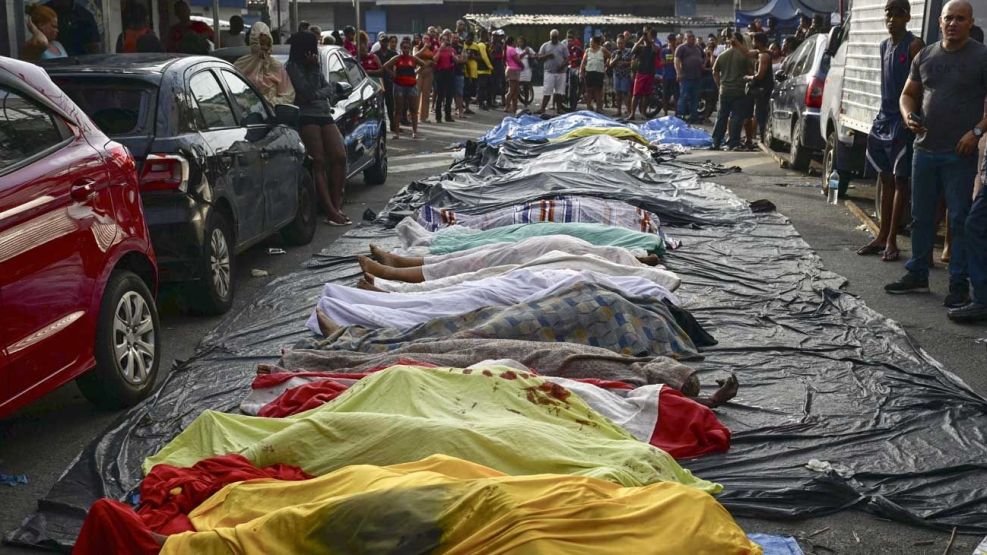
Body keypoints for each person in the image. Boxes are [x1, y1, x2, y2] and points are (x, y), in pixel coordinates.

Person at [886, 0, 987, 312]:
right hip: (925, 150)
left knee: (958, 218)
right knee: (921, 216)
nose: (953, 23)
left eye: (960, 19)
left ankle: (958, 282)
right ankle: (917, 271)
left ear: (970, 23)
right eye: (948, 19)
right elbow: (908, 93)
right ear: (939, 23)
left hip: (960, 152)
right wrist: (907, 115)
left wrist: (977, 132)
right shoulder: (925, 55)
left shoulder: (982, 57)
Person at [857, 0, 925, 262]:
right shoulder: (884, 45)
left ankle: (893, 240)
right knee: (884, 178)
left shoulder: (914, 45)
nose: (892, 18)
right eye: (889, 13)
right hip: (883, 117)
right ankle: (881, 234)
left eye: (898, 14)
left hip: (901, 120)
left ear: (907, 17)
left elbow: (918, 87)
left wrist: (913, 118)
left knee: (900, 181)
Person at [284, 31, 350, 227]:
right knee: (318, 161)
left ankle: (336, 205)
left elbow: (327, 89)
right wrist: (315, 80)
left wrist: (317, 92)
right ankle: (330, 210)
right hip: (306, 116)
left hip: (324, 114)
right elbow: (306, 91)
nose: (314, 51)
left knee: (339, 156)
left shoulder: (316, 65)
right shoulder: (292, 67)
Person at [710, 32, 754, 150]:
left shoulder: (722, 55)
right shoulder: (744, 56)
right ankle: (733, 143)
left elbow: (714, 71)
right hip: (739, 90)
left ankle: (716, 142)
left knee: (721, 116)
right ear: (741, 42)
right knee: (737, 117)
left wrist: (719, 85)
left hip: (724, 90)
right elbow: (751, 72)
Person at [234, 22, 294, 106]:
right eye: (261, 43)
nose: (265, 47)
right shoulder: (240, 65)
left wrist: (270, 103)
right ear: (254, 42)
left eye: (268, 44)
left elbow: (288, 95)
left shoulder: (276, 67)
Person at [383, 37, 430, 139]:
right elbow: (385, 66)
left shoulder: (413, 59)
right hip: (399, 85)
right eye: (404, 48)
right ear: (401, 48)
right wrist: (393, 74)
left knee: (413, 109)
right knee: (398, 109)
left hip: (411, 86)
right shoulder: (397, 58)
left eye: (408, 48)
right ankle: (396, 133)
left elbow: (424, 65)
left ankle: (415, 132)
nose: (406, 50)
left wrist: (416, 72)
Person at [744, 32, 775, 142]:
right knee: (760, 114)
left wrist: (749, 77)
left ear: (758, 42)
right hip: (764, 90)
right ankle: (762, 138)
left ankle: (763, 139)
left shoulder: (763, 56)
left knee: (761, 115)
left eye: (753, 40)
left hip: (763, 90)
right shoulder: (762, 52)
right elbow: (746, 53)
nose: (752, 43)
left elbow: (760, 75)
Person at [675, 30, 705, 123]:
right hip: (686, 77)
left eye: (693, 36)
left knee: (695, 98)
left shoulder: (698, 48)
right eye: (689, 37)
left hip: (697, 77)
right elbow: (676, 61)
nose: (692, 38)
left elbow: (703, 57)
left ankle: (693, 117)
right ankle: (680, 116)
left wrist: (702, 64)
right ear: (685, 38)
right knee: (684, 97)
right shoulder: (681, 48)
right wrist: (679, 73)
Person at [629, 27, 658, 121]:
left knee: (646, 95)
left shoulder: (655, 45)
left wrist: (651, 41)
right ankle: (632, 113)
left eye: (648, 35)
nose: (646, 36)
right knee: (636, 94)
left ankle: (643, 113)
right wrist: (641, 40)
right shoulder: (640, 47)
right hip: (640, 73)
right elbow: (632, 51)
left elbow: (656, 51)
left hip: (650, 73)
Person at [536, 29, 569, 114]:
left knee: (559, 92)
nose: (554, 39)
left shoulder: (562, 46)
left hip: (561, 72)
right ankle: (542, 108)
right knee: (547, 91)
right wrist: (547, 55)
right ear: (550, 37)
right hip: (549, 72)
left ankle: (559, 109)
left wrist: (562, 66)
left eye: (555, 37)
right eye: (552, 37)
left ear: (558, 37)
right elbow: (539, 57)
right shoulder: (545, 45)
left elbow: (567, 59)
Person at [580, 35, 610, 114]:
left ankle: (599, 108)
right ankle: (589, 107)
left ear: (596, 43)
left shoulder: (602, 49)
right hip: (589, 73)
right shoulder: (587, 51)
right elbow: (583, 62)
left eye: (591, 42)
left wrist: (607, 63)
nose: (590, 44)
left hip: (599, 73)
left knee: (598, 91)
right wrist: (581, 72)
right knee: (589, 91)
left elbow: (610, 56)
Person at [433, 32, 458, 122]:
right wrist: (440, 50)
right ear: (440, 41)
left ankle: (448, 116)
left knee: (449, 95)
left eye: (447, 40)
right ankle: (438, 116)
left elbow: (456, 60)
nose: (445, 42)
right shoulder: (437, 50)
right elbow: (434, 60)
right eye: (443, 40)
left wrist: (453, 54)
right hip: (440, 73)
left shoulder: (451, 49)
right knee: (440, 95)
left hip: (450, 72)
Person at [377, 35, 398, 129]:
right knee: (379, 105)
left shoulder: (393, 54)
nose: (384, 43)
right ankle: (381, 126)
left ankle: (393, 124)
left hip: (390, 81)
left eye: (385, 41)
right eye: (382, 41)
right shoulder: (375, 54)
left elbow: (396, 67)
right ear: (379, 42)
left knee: (391, 104)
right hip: (379, 81)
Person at [611, 35, 634, 117]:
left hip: (626, 75)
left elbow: (633, 62)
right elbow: (610, 64)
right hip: (617, 75)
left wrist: (625, 63)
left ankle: (629, 111)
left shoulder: (629, 51)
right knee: (618, 94)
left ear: (624, 43)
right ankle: (618, 111)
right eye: (618, 43)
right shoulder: (614, 52)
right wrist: (616, 58)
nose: (620, 45)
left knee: (626, 94)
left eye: (621, 43)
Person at [503, 36, 524, 113]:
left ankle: (514, 107)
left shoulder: (506, 49)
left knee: (515, 90)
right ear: (512, 42)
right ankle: (507, 106)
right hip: (514, 70)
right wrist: (522, 65)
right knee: (512, 90)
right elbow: (517, 59)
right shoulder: (511, 49)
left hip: (510, 69)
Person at [473, 31, 493, 110]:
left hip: (484, 70)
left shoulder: (484, 44)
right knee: (482, 87)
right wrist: (490, 66)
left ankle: (484, 102)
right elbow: (484, 57)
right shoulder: (481, 45)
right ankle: (481, 103)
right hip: (482, 70)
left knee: (484, 87)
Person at [565, 29, 585, 110]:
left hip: (576, 68)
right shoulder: (564, 46)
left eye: (571, 40)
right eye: (568, 40)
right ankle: (569, 104)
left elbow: (582, 57)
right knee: (568, 87)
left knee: (575, 87)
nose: (569, 42)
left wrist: (577, 61)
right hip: (567, 68)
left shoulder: (577, 46)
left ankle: (573, 105)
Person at [662, 33, 679, 115]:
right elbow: (663, 62)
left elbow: (677, 59)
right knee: (665, 96)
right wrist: (670, 61)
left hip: (675, 76)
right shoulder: (664, 50)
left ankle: (676, 113)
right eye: (670, 41)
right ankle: (665, 113)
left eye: (673, 40)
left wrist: (672, 50)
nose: (672, 42)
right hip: (666, 76)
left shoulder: (677, 50)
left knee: (676, 96)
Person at [517, 36, 536, 109]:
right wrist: (525, 53)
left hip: (527, 69)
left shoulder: (529, 49)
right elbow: (517, 58)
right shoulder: (516, 49)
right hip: (519, 70)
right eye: (519, 41)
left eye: (522, 41)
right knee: (517, 86)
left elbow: (535, 55)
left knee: (526, 86)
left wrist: (530, 55)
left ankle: (526, 102)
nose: (520, 43)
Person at [489, 31, 506, 108]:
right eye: (493, 36)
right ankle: (492, 99)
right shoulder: (490, 45)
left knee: (501, 82)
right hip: (493, 66)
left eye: (496, 36)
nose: (494, 38)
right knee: (493, 83)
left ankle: (502, 99)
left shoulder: (499, 45)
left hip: (499, 65)